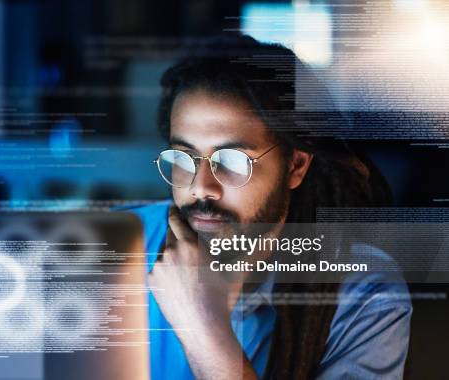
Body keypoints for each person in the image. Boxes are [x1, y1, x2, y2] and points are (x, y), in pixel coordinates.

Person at [129, 35, 412, 379]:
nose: (200, 186)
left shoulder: (363, 293)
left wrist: (203, 326)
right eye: (185, 158)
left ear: (296, 165)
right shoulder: (116, 246)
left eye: (232, 161)